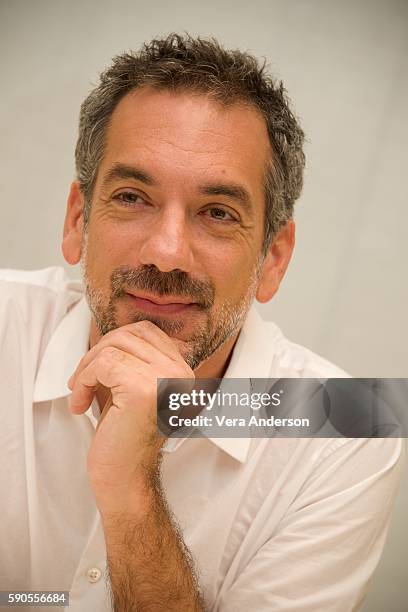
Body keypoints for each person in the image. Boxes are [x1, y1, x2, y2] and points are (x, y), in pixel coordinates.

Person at [0, 34, 404, 612]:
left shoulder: (348, 429)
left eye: (217, 213)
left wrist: (133, 488)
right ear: (77, 221)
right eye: (133, 196)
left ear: (273, 258)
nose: (165, 253)